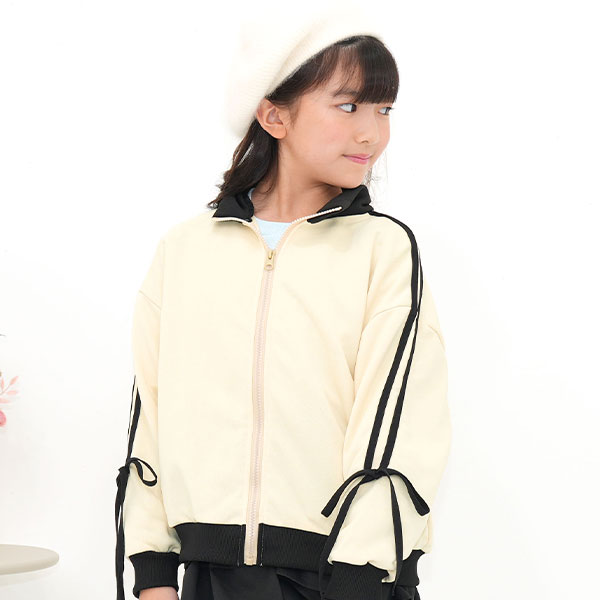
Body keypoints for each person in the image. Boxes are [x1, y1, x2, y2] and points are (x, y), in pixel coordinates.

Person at [114, 3, 452, 600]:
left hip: (345, 579)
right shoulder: (186, 249)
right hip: (209, 574)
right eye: (348, 105)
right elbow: (152, 412)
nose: (372, 132)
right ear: (274, 115)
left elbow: (398, 423)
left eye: (384, 109)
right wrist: (153, 573)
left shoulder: (383, 249)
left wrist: (360, 575)